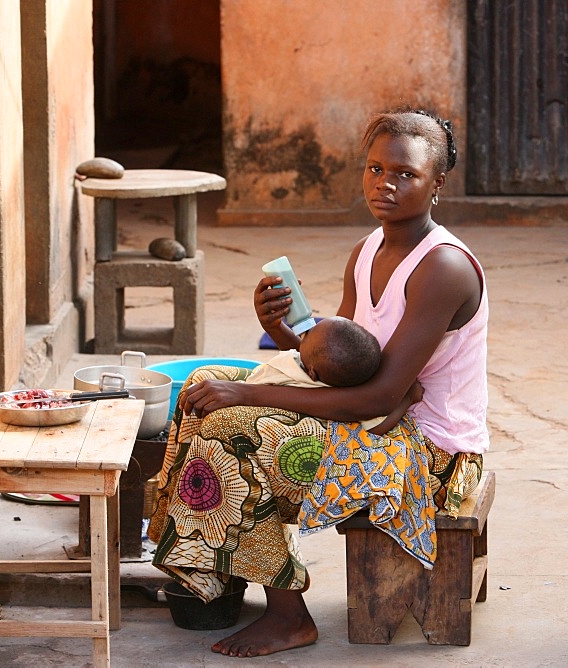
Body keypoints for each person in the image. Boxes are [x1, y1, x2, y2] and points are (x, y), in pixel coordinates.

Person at [148, 107, 489, 658]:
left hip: (426, 448)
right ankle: (209, 568)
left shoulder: (443, 267)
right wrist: (281, 330)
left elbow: (376, 396)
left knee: (237, 431)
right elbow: (338, 360)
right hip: (378, 413)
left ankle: (288, 616)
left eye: (407, 174)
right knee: (202, 388)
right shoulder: (368, 250)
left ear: (437, 184)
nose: (386, 185)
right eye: (376, 169)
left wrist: (250, 393)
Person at [245, 315, 408, 433]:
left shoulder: (285, 366)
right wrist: (408, 398)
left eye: (308, 337)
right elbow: (379, 426)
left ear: (312, 372)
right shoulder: (349, 397)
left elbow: (251, 383)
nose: (305, 334)